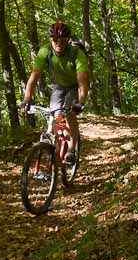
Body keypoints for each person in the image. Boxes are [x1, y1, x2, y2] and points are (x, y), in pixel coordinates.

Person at [21, 21, 89, 164]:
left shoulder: (77, 54)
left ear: (68, 40)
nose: (58, 43)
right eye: (54, 39)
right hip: (59, 85)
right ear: (50, 39)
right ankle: (58, 151)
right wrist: (27, 98)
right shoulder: (45, 51)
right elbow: (33, 78)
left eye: (62, 39)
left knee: (69, 113)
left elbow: (82, 82)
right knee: (57, 116)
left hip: (74, 86)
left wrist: (80, 103)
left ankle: (70, 151)